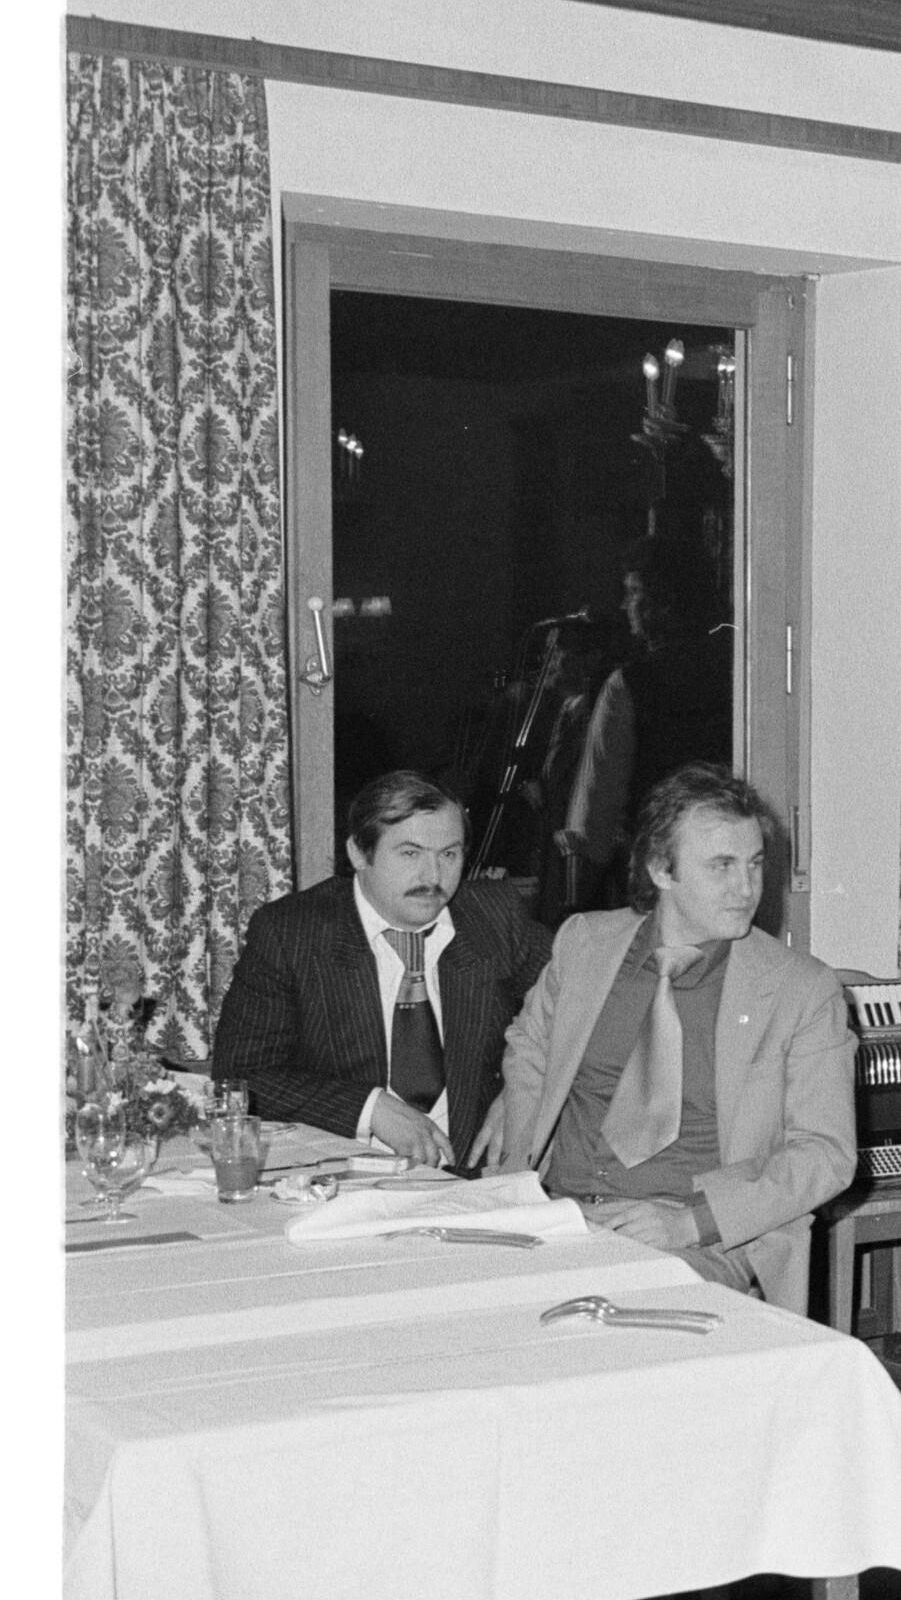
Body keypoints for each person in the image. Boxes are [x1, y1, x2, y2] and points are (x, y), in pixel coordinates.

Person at [493, 763, 853, 1305]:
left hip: (697, 1241)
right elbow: (529, 1049)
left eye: (755, 864)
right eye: (722, 866)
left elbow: (826, 1153)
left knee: (606, 1306)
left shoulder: (801, 990)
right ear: (662, 869)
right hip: (560, 1218)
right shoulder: (585, 944)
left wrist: (691, 1222)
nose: (746, 889)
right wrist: (520, 1175)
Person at [211, 770, 550, 1170]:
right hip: (345, 1177)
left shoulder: (495, 919)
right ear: (359, 853)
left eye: (449, 854)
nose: (433, 876)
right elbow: (242, 1077)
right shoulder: (292, 933)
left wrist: (522, 1090)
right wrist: (369, 1109)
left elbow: (579, 1005)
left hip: (472, 1179)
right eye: (410, 853)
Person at [560, 533, 731, 909]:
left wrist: (575, 910)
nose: (625, 606)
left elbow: (594, 816)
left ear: (663, 601)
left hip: (655, 887)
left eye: (633, 592)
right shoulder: (736, 676)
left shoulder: (627, 686)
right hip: (725, 871)